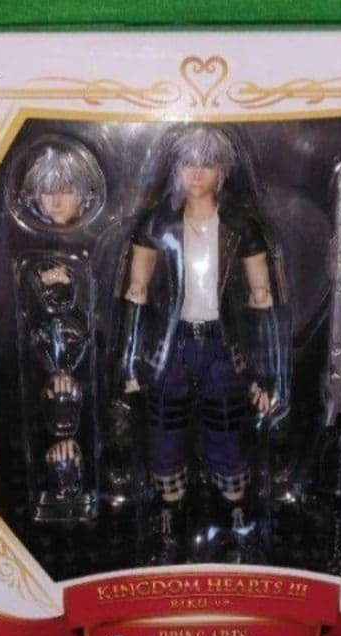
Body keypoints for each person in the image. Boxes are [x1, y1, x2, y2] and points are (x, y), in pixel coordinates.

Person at [114, 125, 288, 563]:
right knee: (165, 431)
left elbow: (262, 298)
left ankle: (236, 514)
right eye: (188, 163)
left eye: (206, 165)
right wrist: (129, 361)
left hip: (223, 347)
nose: (196, 174)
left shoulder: (241, 227)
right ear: (176, 169)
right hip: (169, 347)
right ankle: (168, 515)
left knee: (228, 430)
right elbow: (136, 292)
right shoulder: (157, 224)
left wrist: (267, 374)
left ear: (222, 172)